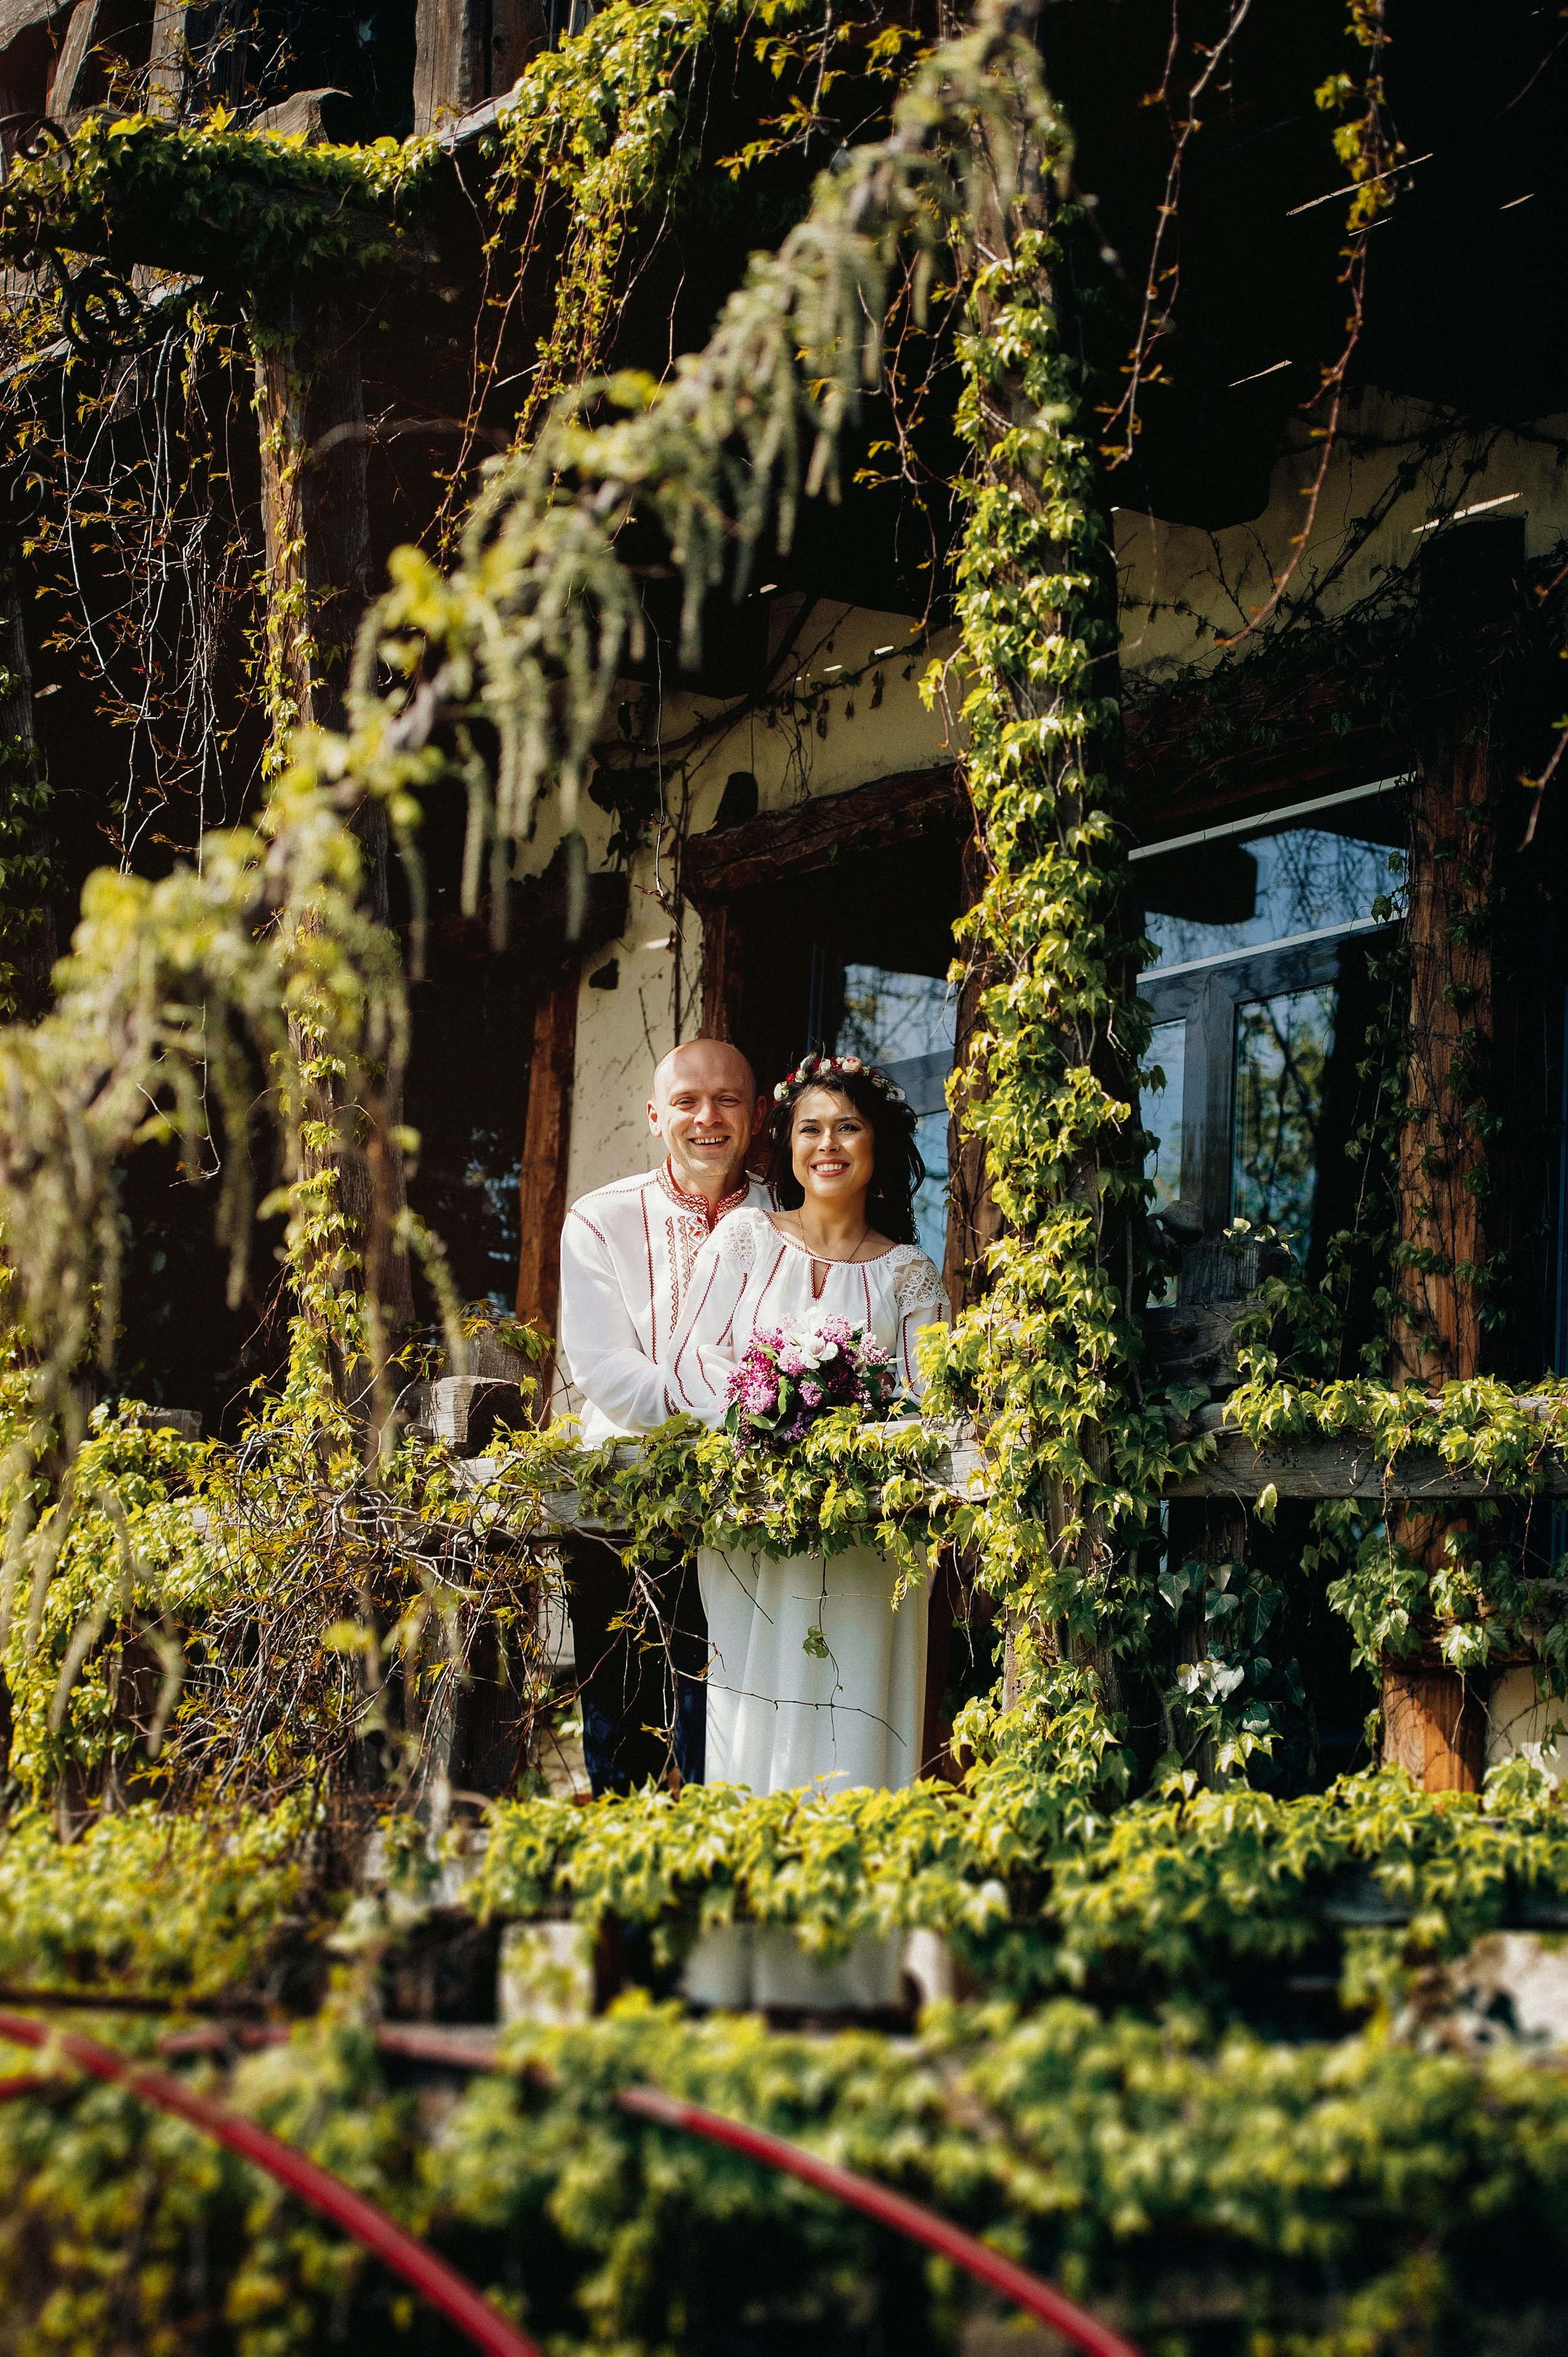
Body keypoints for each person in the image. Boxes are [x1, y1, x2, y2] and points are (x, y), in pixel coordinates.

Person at [664, 1050, 950, 1801]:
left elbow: (934, 1407)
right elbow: (693, 1362)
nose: (828, 1143)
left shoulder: (909, 1273)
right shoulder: (746, 1240)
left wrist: (855, 1436)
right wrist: (764, 1416)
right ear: (787, 1146)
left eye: (848, 1127)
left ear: (876, 1144)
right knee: (754, 1713)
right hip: (754, 1523)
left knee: (855, 1712)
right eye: (810, 1128)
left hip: (868, 1538)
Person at [556, 1036, 771, 1792]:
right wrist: (730, 1420)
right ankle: (625, 1894)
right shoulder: (599, 1218)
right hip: (617, 1500)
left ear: (760, 1112)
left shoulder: (793, 1218)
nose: (706, 1116)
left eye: (727, 1099)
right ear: (655, 1116)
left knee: (731, 1724)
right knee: (622, 1729)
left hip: (756, 1514)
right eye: (686, 1100)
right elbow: (604, 1371)